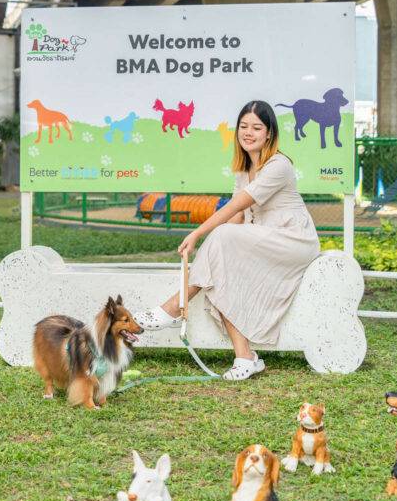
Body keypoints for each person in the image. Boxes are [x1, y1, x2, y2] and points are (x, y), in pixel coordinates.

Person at [134, 100, 321, 380]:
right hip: (261, 238)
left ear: (269, 133)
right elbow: (238, 219)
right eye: (244, 126)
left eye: (256, 127)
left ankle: (173, 307)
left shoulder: (278, 165)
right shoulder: (243, 169)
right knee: (221, 267)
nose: (249, 132)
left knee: (221, 240)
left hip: (292, 240)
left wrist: (197, 234)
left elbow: (233, 207)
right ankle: (245, 358)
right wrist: (215, 246)